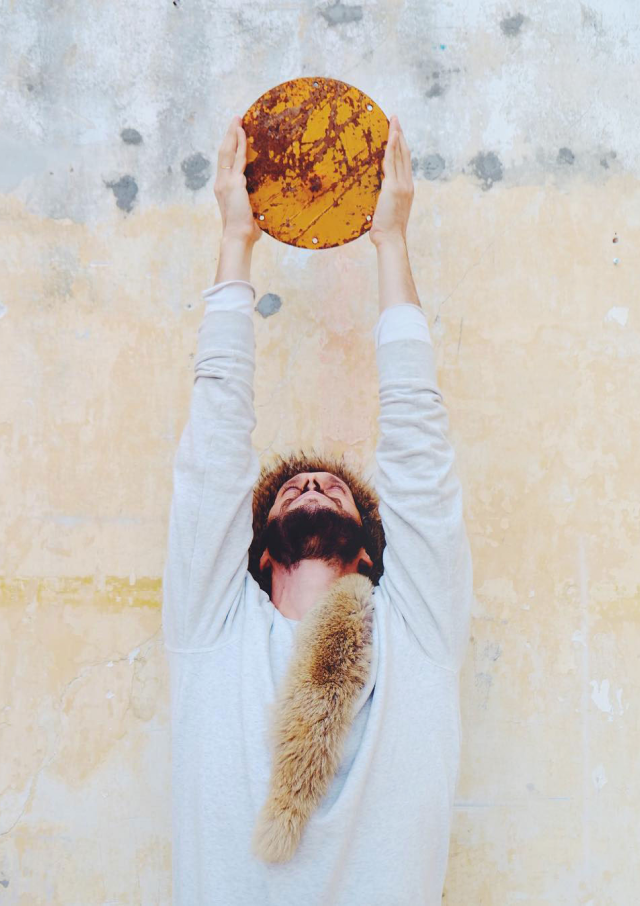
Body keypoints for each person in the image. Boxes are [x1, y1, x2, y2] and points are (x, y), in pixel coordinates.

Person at [162, 112, 474, 906]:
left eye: (334, 488)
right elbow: (214, 455)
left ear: (369, 551)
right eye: (291, 488)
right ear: (261, 550)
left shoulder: (416, 634)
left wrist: (392, 244)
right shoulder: (213, 631)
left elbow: (418, 455)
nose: (311, 485)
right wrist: (236, 242)